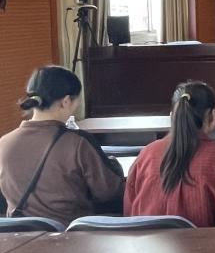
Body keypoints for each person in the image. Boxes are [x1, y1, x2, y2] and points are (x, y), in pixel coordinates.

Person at [0, 66, 124, 225]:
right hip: (70, 234)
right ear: (66, 101)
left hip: (19, 235)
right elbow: (108, 192)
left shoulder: (4, 142)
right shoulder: (78, 143)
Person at [124, 81, 215, 227]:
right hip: (205, 241)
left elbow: (129, 211)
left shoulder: (146, 154)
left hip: (148, 240)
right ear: (210, 115)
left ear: (172, 116)